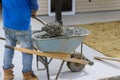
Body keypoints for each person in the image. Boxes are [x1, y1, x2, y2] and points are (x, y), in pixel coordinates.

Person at [2, 0, 39, 80]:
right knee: (27, 49)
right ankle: (27, 75)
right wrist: (35, 10)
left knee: (9, 47)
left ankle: (7, 74)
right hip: (22, 24)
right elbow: (34, 3)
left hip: (8, 23)